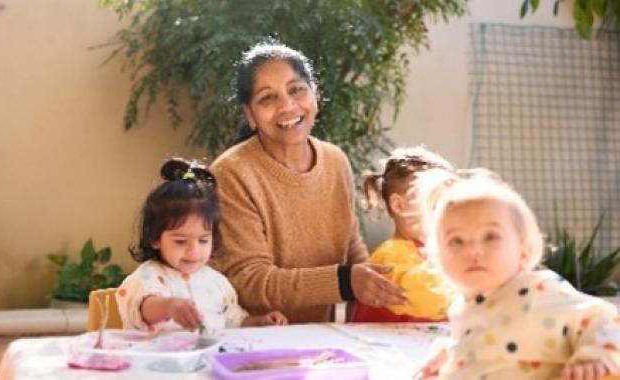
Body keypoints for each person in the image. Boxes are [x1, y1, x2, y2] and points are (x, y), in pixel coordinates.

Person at [209, 41, 405, 324]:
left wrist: (384, 281)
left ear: (315, 95)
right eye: (267, 98)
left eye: (296, 89)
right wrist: (346, 281)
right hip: (251, 338)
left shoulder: (335, 160)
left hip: (319, 339)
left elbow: (351, 248)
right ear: (250, 115)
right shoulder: (231, 173)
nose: (287, 106)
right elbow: (249, 281)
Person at [415, 169, 620, 380]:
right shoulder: (462, 308)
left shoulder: (538, 289)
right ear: (437, 257)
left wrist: (596, 356)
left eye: (490, 236)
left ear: (523, 249)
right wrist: (451, 353)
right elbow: (492, 341)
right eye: (456, 241)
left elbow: (601, 315)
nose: (472, 250)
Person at [116, 158, 287, 333]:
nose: (194, 251)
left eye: (203, 240)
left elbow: (233, 320)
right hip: (158, 359)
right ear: (155, 238)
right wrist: (169, 307)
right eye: (181, 241)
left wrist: (259, 322)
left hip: (208, 359)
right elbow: (143, 308)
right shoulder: (148, 276)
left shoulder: (216, 282)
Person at [352, 146, 456, 323]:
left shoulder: (431, 251)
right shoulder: (391, 255)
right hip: (377, 346)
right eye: (436, 204)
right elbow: (426, 296)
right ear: (399, 206)